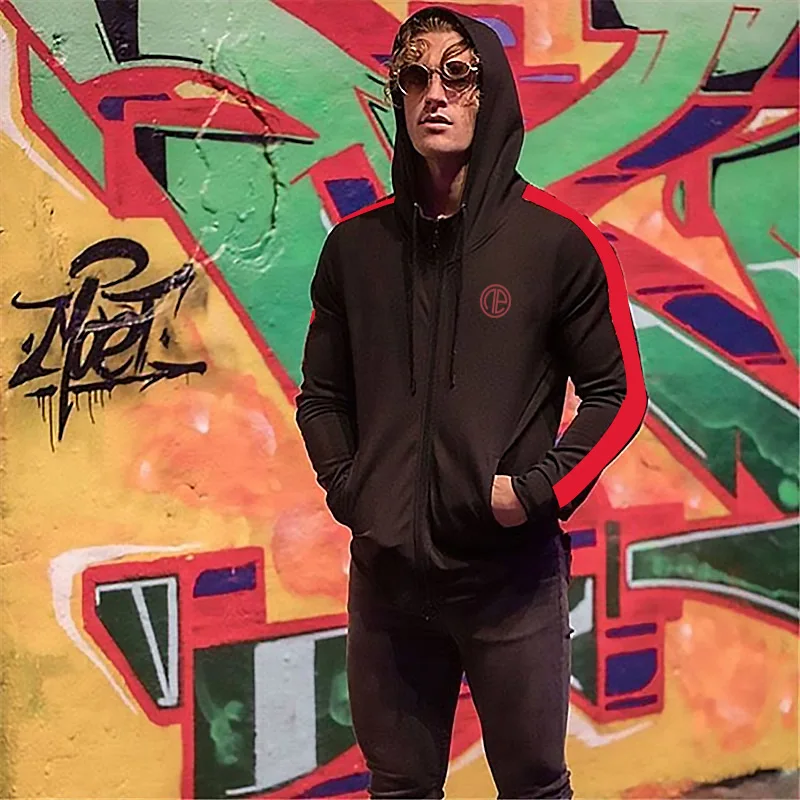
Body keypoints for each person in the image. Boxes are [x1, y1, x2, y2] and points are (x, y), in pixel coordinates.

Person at [295, 6, 648, 798]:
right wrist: (352, 490)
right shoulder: (355, 249)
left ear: (492, 93)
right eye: (415, 75)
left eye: (458, 74)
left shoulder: (556, 243)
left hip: (508, 583)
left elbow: (618, 393)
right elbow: (321, 397)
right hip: (386, 583)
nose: (435, 93)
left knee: (532, 785)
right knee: (399, 786)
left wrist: (535, 492)